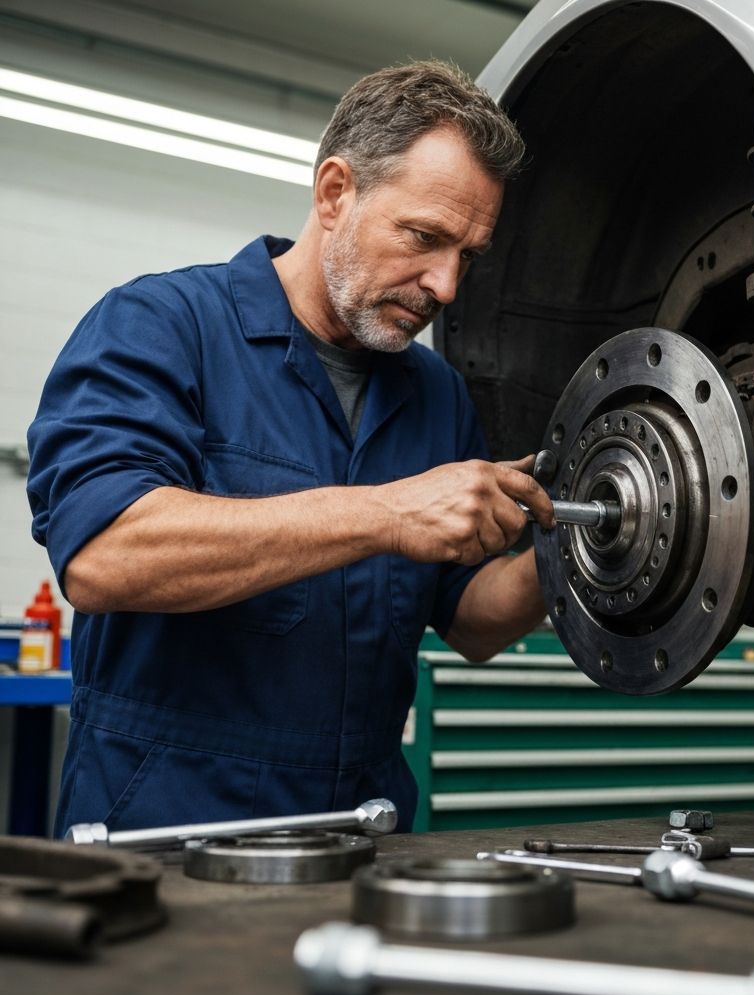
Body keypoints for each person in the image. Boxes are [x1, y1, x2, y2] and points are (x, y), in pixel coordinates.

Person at [26, 61, 554, 836]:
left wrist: (569, 552)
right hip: (166, 834)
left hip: (360, 835)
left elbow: (470, 621)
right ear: (335, 193)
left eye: (468, 255)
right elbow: (104, 556)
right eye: (424, 237)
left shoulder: (437, 395)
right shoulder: (162, 326)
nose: (446, 286)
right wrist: (386, 515)